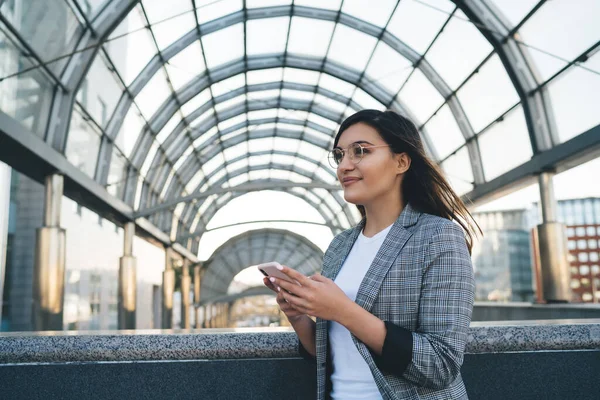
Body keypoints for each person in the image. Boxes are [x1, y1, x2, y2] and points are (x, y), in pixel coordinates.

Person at [263, 109, 479, 400]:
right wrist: (299, 316)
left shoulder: (437, 236)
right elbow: (335, 354)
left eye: (360, 151)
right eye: (340, 156)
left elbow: (440, 364)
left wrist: (342, 310)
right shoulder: (341, 245)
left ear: (401, 161)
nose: (344, 166)